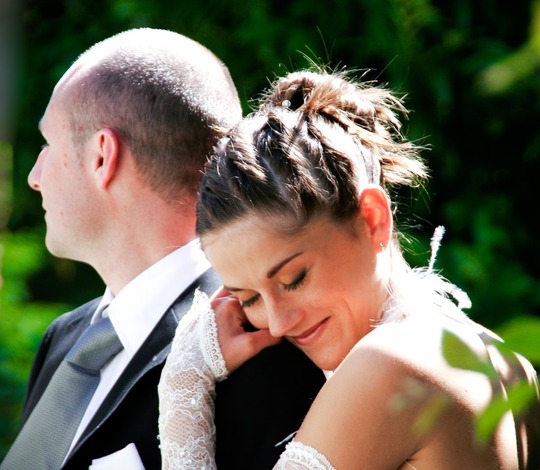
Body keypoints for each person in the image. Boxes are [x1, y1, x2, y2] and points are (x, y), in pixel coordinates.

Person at [158, 67, 540, 469]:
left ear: (372, 218)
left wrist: (183, 383)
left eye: (295, 279)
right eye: (250, 299)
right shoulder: (509, 363)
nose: (277, 323)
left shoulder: (388, 363)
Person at [2, 29, 325, 470]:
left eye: (47, 144)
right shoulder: (65, 338)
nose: (34, 176)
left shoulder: (265, 344)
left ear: (102, 156)